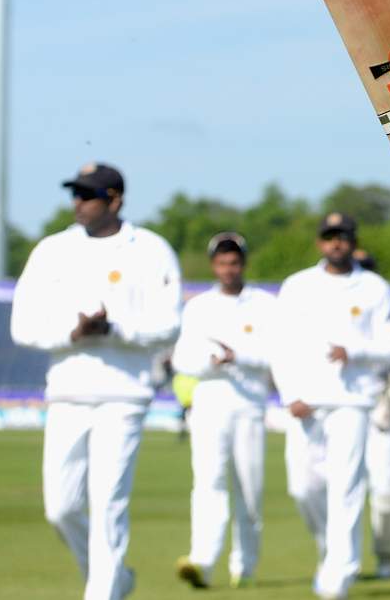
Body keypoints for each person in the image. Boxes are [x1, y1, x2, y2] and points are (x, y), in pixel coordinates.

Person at [10, 162, 183, 600]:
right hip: (68, 390)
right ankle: (113, 579)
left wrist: (115, 329)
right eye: (76, 195)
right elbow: (23, 326)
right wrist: (73, 333)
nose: (78, 204)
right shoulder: (52, 250)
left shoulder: (150, 249)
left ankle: (101, 593)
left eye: (88, 196)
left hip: (125, 393)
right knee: (61, 508)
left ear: (116, 200)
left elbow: (168, 325)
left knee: (109, 504)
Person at [272, 213, 390, 600]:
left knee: (346, 486)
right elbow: (280, 346)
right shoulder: (297, 286)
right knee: (303, 487)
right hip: (306, 401)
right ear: (320, 243)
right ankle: (331, 550)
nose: (336, 244)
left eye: (343, 237)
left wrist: (356, 352)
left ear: (352, 240)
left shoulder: (373, 287)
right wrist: (288, 393)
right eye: (329, 237)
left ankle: (339, 572)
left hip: (352, 400)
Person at [172, 232, 277, 589]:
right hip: (210, 402)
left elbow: (277, 355)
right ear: (213, 265)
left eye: (234, 262)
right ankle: (202, 559)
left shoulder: (265, 305)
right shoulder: (198, 307)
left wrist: (239, 356)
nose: (228, 269)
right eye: (221, 263)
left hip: (248, 404)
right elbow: (183, 359)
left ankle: (244, 566)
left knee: (249, 489)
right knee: (208, 482)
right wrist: (211, 361)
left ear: (243, 264)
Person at [352, 247, 390, 580]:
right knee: (336, 487)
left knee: (386, 489)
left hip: (380, 410)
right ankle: (341, 556)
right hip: (340, 406)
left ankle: (386, 557)